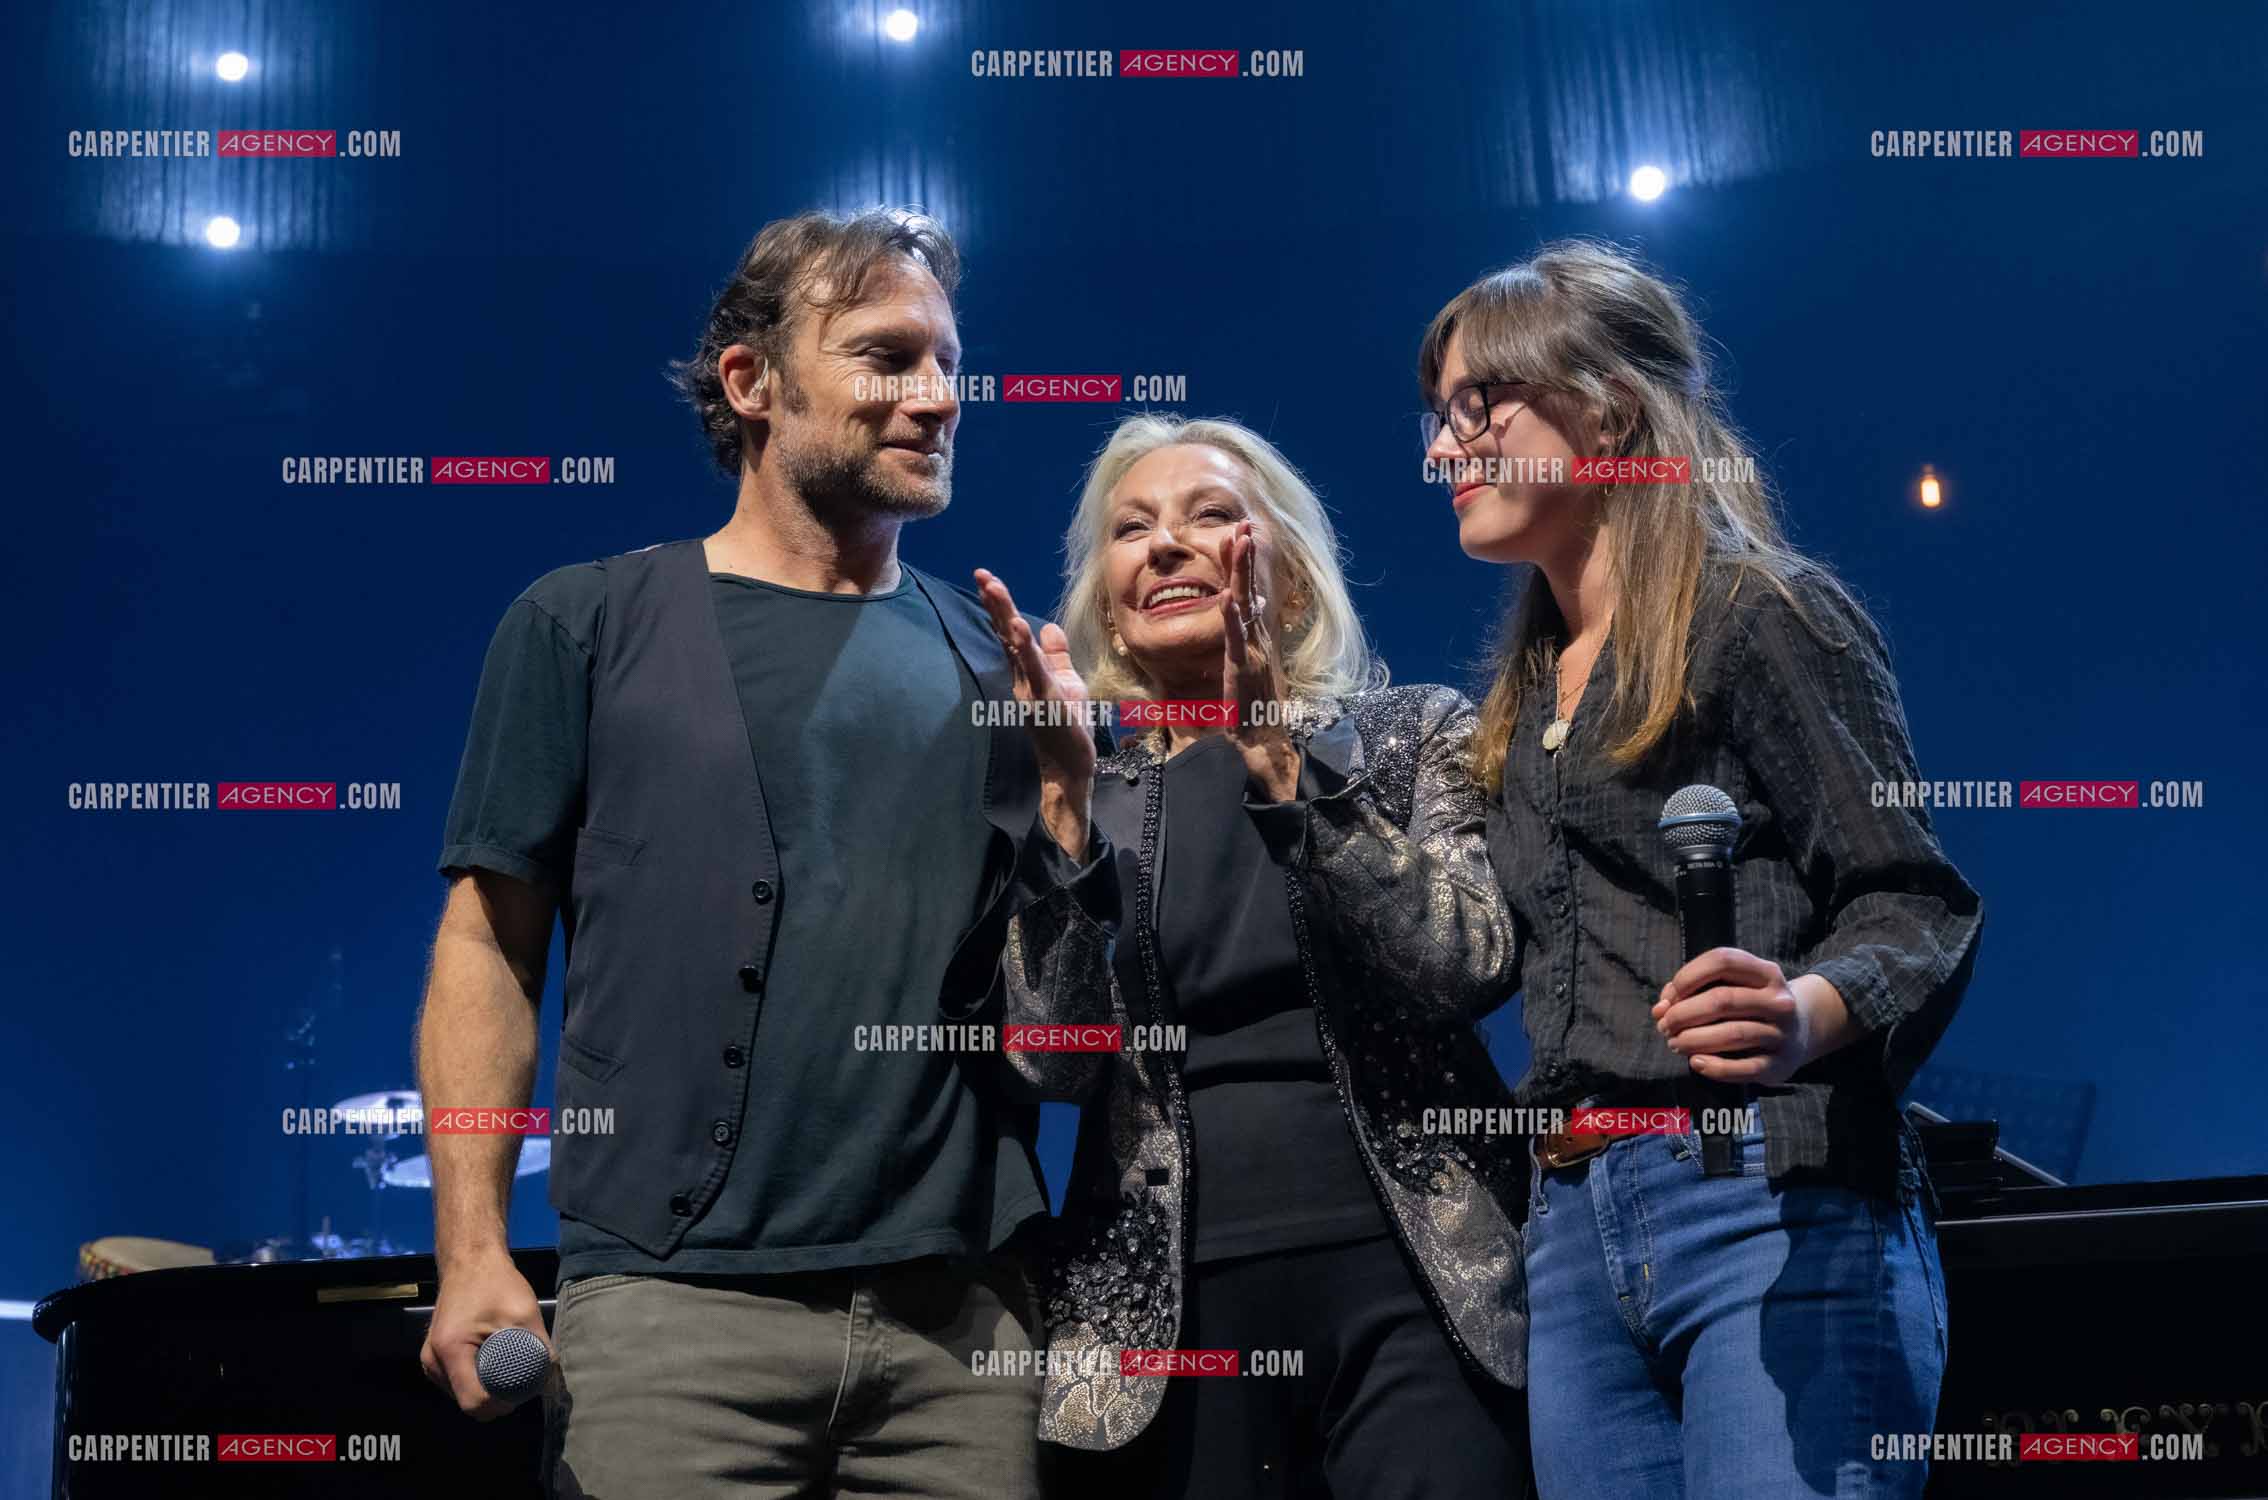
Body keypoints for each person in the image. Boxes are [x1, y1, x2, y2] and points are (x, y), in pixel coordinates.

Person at [416, 207, 1065, 1500]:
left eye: (949, 363)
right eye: (886, 358)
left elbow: (1049, 1011)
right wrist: (473, 1244)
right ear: (752, 381)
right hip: (672, 1327)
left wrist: (1078, 816)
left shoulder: (1002, 666)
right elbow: (488, 946)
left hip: (959, 1338)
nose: (936, 397)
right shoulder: (582, 626)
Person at [1417, 239, 1984, 1499]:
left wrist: (1800, 1012)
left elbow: (1918, 901)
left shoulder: (1760, 616)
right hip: (1570, 1235)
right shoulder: (1510, 706)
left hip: (1766, 1201)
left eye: (1479, 409)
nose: (1444, 450)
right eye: (1436, 419)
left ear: (1608, 407)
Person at [973, 414, 1534, 1499]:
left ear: (1283, 573)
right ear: (1111, 608)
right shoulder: (1093, 793)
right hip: (1168, 1314)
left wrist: (1289, 774)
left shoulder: (1410, 734)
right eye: (1131, 530)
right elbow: (1051, 1061)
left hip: (1418, 1286)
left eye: (1211, 517)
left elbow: (1470, 956)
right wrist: (1062, 808)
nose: (1166, 545)